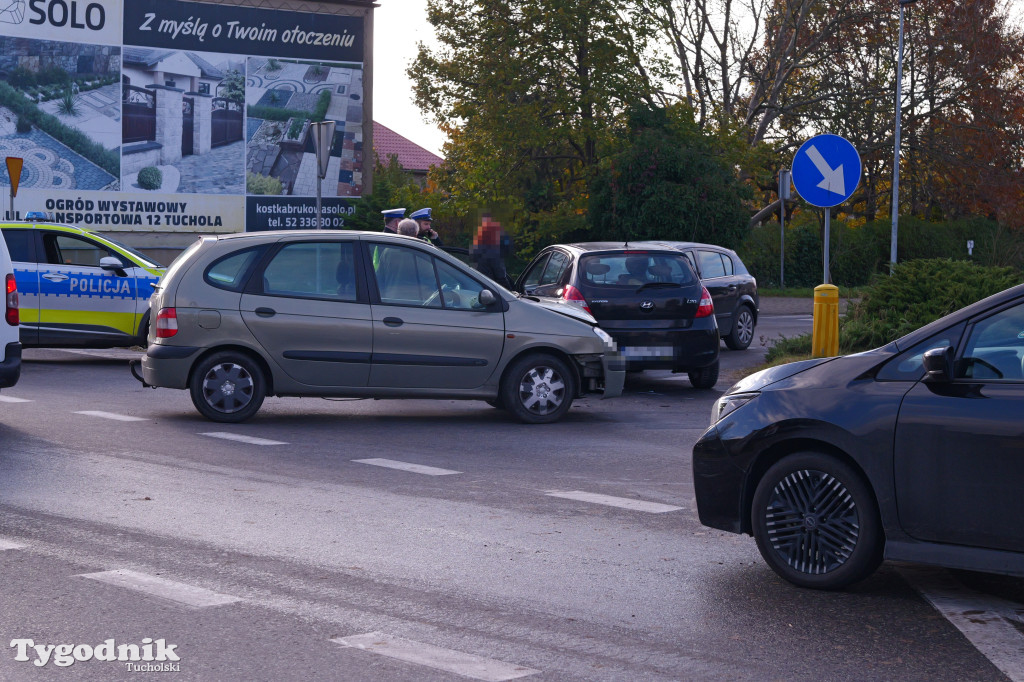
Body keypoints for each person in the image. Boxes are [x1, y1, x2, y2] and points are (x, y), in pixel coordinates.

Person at [470, 214, 513, 289]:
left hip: (483, 265)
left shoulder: (479, 233)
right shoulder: (497, 230)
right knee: (501, 279)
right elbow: (501, 276)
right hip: (496, 259)